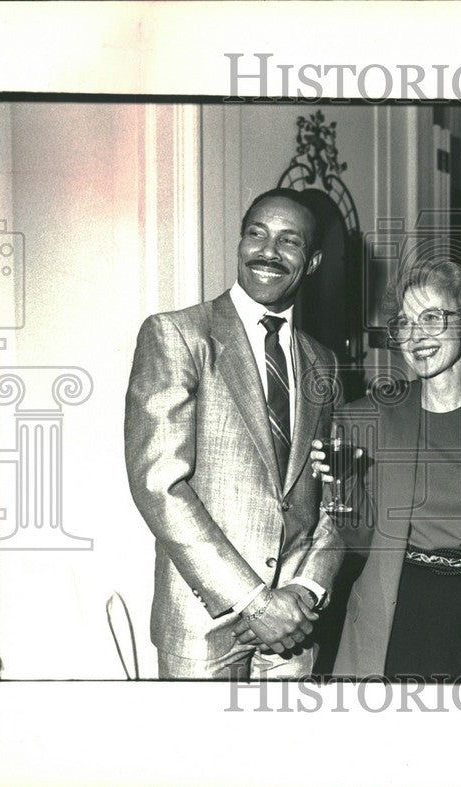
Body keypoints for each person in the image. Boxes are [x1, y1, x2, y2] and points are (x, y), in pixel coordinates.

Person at [125, 187, 343, 679]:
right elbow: (159, 485)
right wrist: (254, 601)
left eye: (290, 241)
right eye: (256, 234)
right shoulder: (178, 335)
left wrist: (306, 591)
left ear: (311, 262)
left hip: (295, 626)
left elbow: (340, 494)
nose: (268, 251)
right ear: (241, 243)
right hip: (205, 622)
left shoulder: (324, 363)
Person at [318, 258, 461, 680]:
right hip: (391, 622)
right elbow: (362, 542)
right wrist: (341, 483)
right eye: (405, 323)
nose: (416, 336)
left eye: (431, 317)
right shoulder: (364, 418)